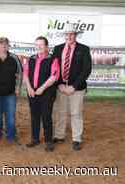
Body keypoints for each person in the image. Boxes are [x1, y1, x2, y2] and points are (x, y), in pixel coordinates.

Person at [52, 23, 92, 151]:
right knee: (61, 112)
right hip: (61, 87)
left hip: (77, 88)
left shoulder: (84, 49)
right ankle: (59, 135)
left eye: (72, 34)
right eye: (67, 34)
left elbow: (86, 70)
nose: (69, 36)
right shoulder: (57, 49)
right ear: (64, 35)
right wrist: (59, 84)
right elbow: (54, 68)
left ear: (75, 35)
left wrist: (73, 86)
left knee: (76, 113)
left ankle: (76, 139)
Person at [23, 36, 60, 152]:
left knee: (46, 116)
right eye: (37, 45)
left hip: (47, 93)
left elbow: (54, 76)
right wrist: (28, 87)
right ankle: (35, 139)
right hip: (32, 92)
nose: (38, 47)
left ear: (46, 47)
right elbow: (25, 74)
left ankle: (48, 141)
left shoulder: (53, 59)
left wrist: (42, 88)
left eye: (41, 45)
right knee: (34, 116)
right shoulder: (31, 59)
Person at [0, 37, 22, 143]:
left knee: (10, 116)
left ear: (8, 46)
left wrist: (18, 88)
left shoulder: (14, 58)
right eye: (1, 45)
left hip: (10, 93)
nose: (3, 47)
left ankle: (11, 135)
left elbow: (20, 74)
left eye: (5, 45)